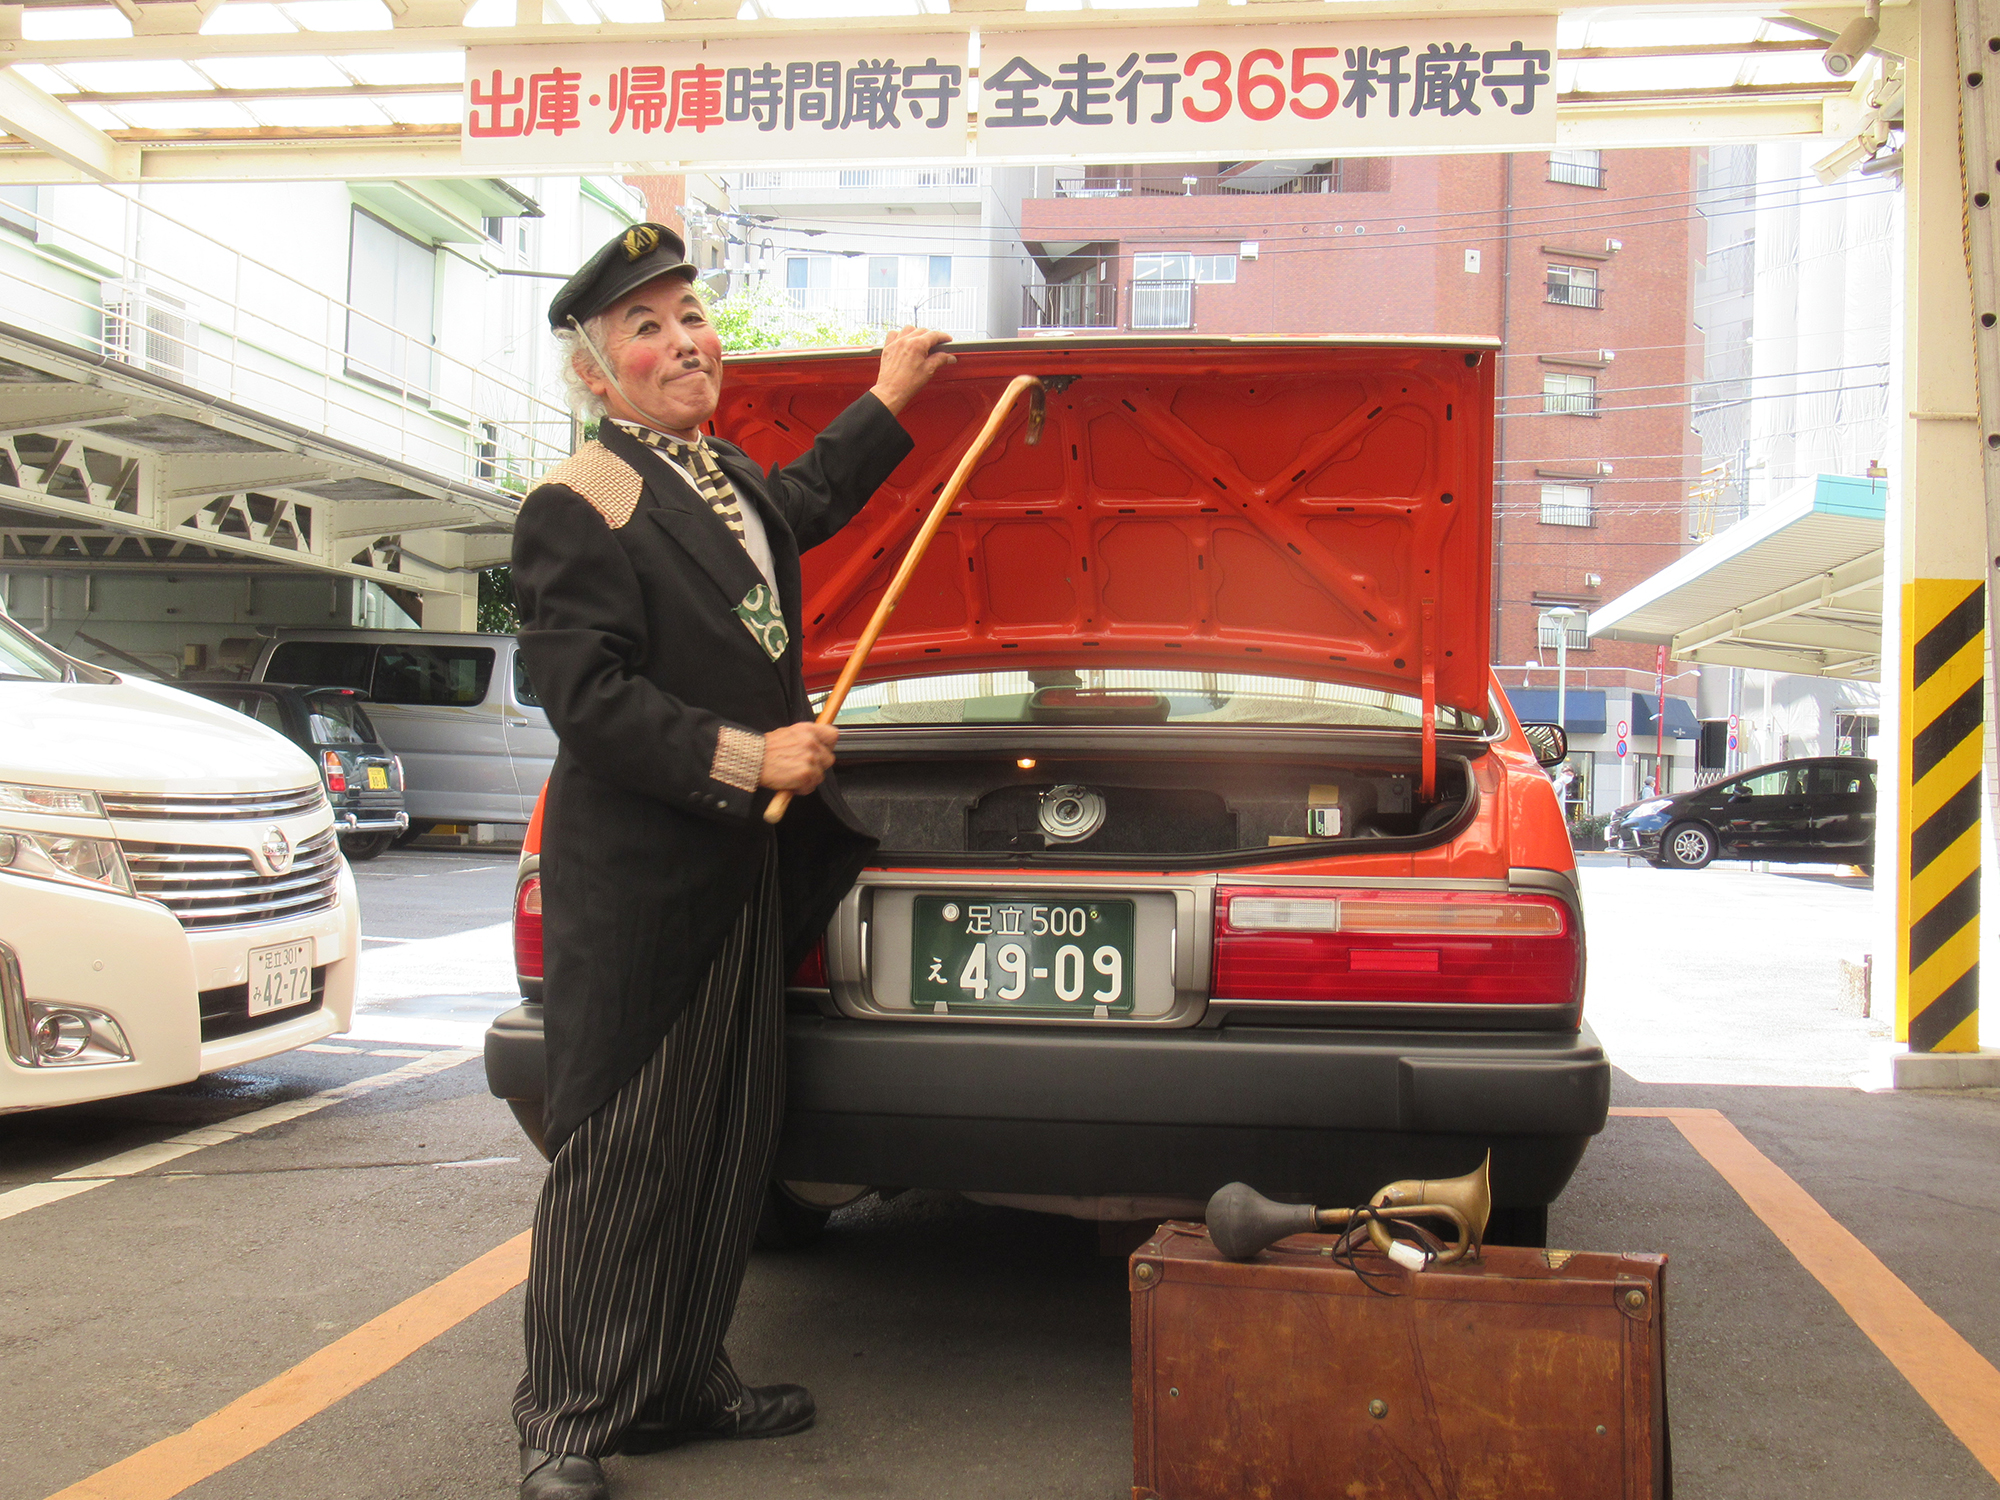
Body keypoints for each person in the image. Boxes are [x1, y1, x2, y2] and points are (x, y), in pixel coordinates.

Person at [507, 221, 954, 1500]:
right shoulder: (578, 497)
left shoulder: (723, 476)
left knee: (722, 1136)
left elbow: (804, 504)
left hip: (741, 882)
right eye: (644, 329)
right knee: (619, 1152)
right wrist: (745, 756)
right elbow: (582, 697)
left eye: (689, 315)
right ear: (596, 374)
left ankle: (680, 1380)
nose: (682, 341)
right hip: (643, 885)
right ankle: (568, 1422)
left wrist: (888, 397)